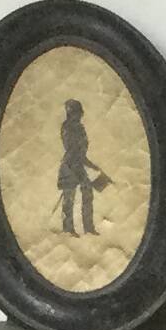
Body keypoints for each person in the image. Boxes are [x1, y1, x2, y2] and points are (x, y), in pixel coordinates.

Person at [57, 98, 104, 234]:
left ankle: (88, 228)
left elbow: (81, 151)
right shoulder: (67, 127)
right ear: (71, 113)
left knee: (87, 193)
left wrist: (92, 166)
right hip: (69, 165)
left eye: (79, 113)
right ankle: (68, 229)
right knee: (69, 198)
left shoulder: (80, 128)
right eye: (77, 113)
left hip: (79, 164)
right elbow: (72, 149)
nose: (79, 116)